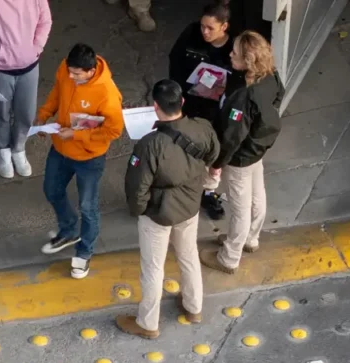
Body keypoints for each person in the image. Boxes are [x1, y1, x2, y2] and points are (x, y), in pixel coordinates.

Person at [117, 80, 220, 339]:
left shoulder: (149, 144)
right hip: (190, 206)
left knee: (153, 268)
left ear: (155, 107)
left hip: (159, 214)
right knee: (188, 255)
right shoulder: (202, 127)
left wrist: (140, 210)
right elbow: (214, 154)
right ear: (182, 102)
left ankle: (148, 323)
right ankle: (193, 307)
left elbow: (136, 185)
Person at [36, 44, 124, 279]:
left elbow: (114, 130)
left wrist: (76, 135)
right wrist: (44, 114)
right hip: (61, 149)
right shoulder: (66, 71)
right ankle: (68, 229)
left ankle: (84, 252)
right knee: (52, 190)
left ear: (91, 70)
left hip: (89, 157)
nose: (71, 77)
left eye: (77, 74)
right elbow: (57, 92)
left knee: (88, 206)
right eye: (70, 71)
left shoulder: (107, 93)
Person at [201, 31, 284, 275]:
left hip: (239, 158)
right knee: (258, 194)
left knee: (240, 208)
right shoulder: (271, 77)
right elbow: (279, 96)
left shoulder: (244, 98)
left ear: (248, 61)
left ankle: (229, 257)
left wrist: (217, 164)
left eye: (235, 52)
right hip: (257, 149)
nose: (230, 54)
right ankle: (251, 239)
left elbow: (231, 138)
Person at [169, 0, 235, 220]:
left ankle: (208, 191)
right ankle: (183, 187)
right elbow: (176, 60)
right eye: (202, 26)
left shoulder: (234, 48)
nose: (204, 32)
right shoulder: (191, 34)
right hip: (190, 105)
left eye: (210, 28)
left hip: (217, 111)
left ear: (224, 26)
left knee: (213, 154)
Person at [0, 0, 52, 179]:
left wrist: (35, 48)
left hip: (29, 65)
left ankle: (18, 149)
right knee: (1, 113)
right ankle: (3, 152)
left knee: (26, 114)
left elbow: (45, 21)